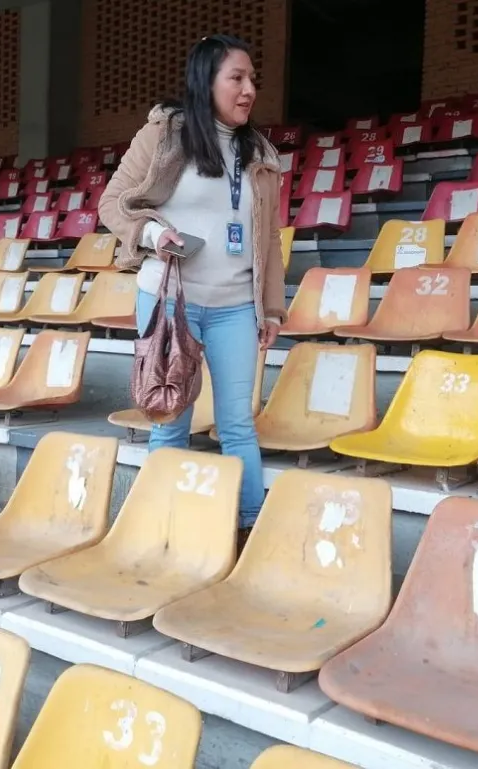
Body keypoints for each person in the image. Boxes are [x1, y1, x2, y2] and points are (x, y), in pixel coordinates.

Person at [99, 34, 286, 539]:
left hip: (234, 309)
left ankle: (247, 530)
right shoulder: (164, 135)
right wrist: (154, 234)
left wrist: (271, 309)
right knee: (169, 420)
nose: (249, 89)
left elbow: (268, 237)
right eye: (237, 78)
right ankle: (164, 526)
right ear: (206, 81)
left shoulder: (263, 155)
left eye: (253, 80)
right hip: (168, 302)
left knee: (238, 425)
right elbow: (113, 203)